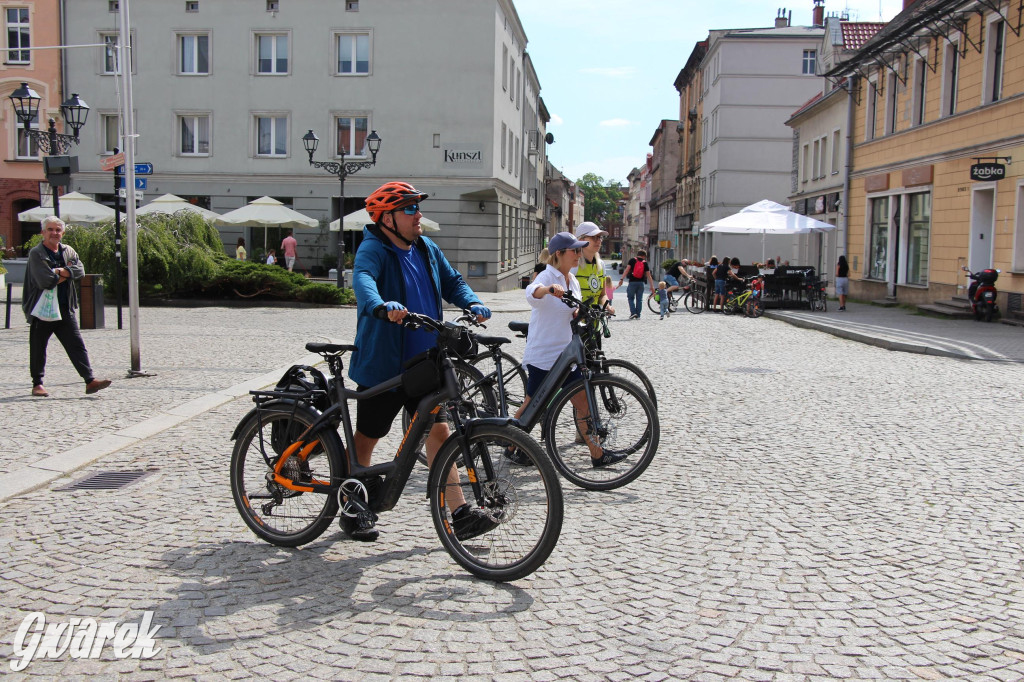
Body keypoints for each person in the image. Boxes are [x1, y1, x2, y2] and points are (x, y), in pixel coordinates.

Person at [349, 181, 495, 542]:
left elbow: (453, 281)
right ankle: (352, 509)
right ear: (387, 218)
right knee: (369, 435)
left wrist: (471, 301)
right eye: (410, 209)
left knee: (439, 430)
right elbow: (363, 279)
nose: (418, 216)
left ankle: (460, 512)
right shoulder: (374, 248)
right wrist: (381, 305)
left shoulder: (426, 248)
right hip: (385, 365)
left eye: (418, 208)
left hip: (425, 362)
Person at [513, 232, 627, 468]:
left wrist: (581, 311)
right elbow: (531, 292)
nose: (578, 255)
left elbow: (573, 306)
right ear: (559, 254)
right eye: (574, 251)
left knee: (583, 403)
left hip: (566, 355)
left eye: (579, 250)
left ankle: (597, 454)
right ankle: (510, 443)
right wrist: (547, 290)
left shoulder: (572, 280)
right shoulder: (547, 275)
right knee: (531, 406)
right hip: (544, 355)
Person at [23, 216, 111, 397]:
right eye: (50, 229)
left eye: (57, 230)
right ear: (43, 232)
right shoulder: (36, 253)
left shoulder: (67, 251)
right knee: (38, 347)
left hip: (64, 306)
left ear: (62, 233)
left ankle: (89, 380)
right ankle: (37, 384)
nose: (54, 233)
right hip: (42, 308)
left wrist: (61, 272)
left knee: (76, 345)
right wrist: (67, 274)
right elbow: (45, 281)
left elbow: (81, 271)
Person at [572, 222, 615, 346]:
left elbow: (602, 295)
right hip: (575, 325)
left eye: (600, 237)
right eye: (593, 237)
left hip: (593, 324)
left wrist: (607, 306)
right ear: (581, 240)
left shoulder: (600, 265)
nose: (598, 241)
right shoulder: (574, 265)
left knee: (595, 363)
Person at [615, 248, 656, 319]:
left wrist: (621, 279)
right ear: (644, 256)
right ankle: (638, 315)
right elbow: (649, 275)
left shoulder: (632, 260)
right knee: (639, 299)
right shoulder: (644, 262)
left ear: (638, 255)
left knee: (630, 298)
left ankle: (633, 313)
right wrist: (652, 286)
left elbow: (627, 270)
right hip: (641, 283)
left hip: (632, 282)